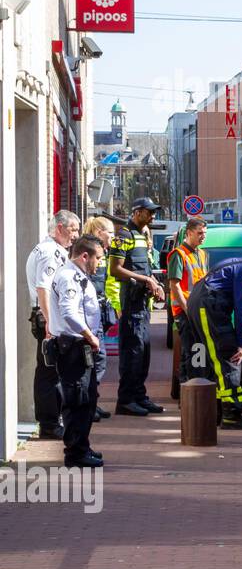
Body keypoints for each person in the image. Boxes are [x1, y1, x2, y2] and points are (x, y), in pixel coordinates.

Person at [186, 247, 242, 430]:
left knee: (215, 360)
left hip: (202, 303)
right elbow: (241, 309)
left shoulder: (234, 262)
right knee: (228, 357)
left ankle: (216, 411)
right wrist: (240, 344)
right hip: (209, 306)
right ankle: (232, 414)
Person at [49, 235, 106, 468]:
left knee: (87, 399)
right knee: (77, 400)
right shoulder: (69, 277)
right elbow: (69, 312)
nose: (100, 264)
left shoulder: (77, 275)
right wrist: (89, 335)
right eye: (98, 259)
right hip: (73, 346)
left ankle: (82, 445)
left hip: (79, 346)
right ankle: (75, 453)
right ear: (85, 256)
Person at [25, 210, 80, 440]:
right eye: (73, 229)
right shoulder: (51, 253)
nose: (76, 235)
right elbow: (43, 287)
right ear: (59, 228)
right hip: (48, 318)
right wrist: (50, 320)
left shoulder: (49, 249)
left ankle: (51, 421)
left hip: (47, 316)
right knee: (49, 373)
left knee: (49, 371)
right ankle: (49, 424)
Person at [109, 198, 167, 416]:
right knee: (132, 353)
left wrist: (154, 282)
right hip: (131, 303)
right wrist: (146, 281)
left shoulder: (143, 236)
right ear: (137, 212)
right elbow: (115, 269)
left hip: (142, 304)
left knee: (143, 353)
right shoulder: (123, 235)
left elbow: (145, 269)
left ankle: (139, 396)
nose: (152, 217)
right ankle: (125, 400)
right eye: (149, 213)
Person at [167, 217, 209, 398]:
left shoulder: (202, 254)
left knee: (191, 351)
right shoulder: (179, 254)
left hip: (197, 311)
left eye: (205, 234)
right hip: (186, 312)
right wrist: (188, 310)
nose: (203, 237)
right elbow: (174, 286)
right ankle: (188, 392)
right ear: (189, 232)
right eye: (199, 233)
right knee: (193, 351)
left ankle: (185, 391)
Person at [82, 216, 118, 423]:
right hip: (90, 316)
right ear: (98, 233)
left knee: (99, 360)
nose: (113, 237)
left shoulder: (102, 253)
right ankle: (88, 405)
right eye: (110, 232)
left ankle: (92, 403)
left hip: (99, 312)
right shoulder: (89, 252)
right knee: (96, 360)